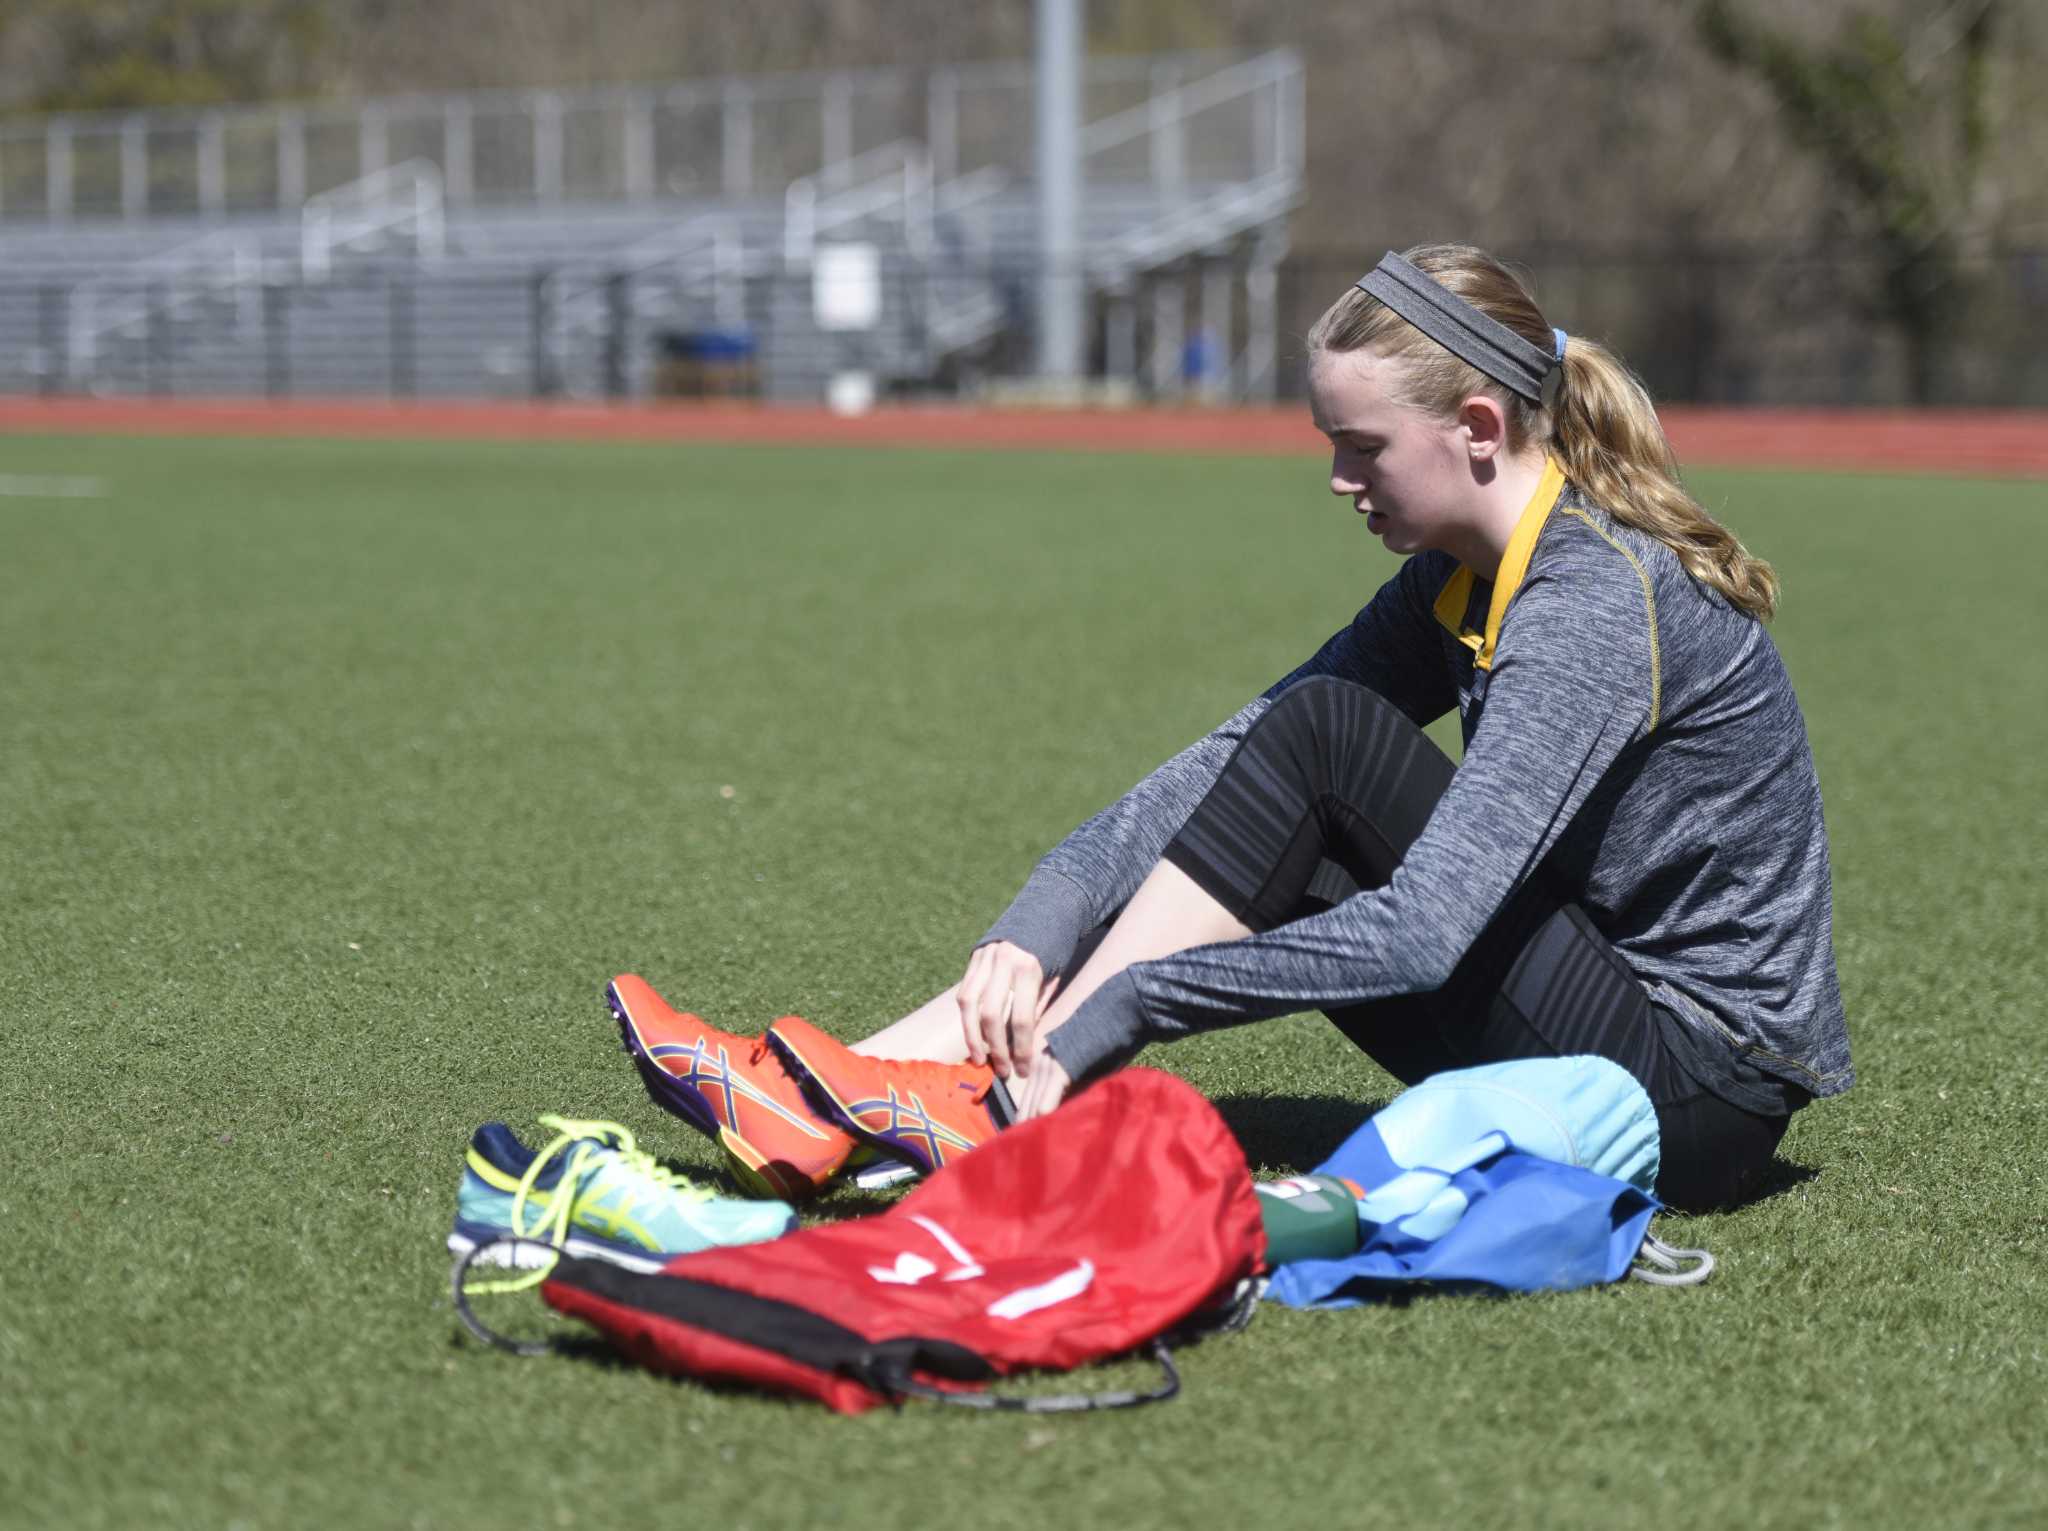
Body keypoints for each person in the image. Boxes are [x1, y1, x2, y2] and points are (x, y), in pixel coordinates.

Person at [613, 243, 1851, 1214]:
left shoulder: (1588, 598)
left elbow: (1426, 931)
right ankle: (825, 1092)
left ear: (1475, 428)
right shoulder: (1456, 579)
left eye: (1358, 446)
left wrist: (1137, 1000)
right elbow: (1228, 765)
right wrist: (1032, 922)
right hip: (1591, 1024)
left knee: (1328, 738)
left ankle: (999, 1094)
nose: (1335, 480)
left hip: (1689, 1098)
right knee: (1299, 747)